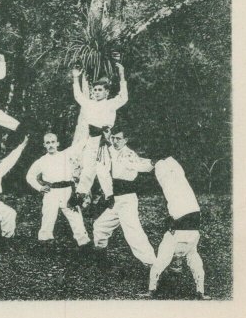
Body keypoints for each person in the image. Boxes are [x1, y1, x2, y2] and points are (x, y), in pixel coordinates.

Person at [144, 157, 210, 300]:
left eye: (176, 264)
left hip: (191, 216)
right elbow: (197, 267)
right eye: (178, 265)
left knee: (177, 183)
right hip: (188, 218)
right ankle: (165, 159)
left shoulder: (172, 245)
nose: (178, 262)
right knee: (175, 183)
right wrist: (201, 292)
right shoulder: (186, 249)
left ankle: (164, 159)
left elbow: (158, 265)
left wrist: (151, 291)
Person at [91, 128, 157, 266]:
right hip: (116, 200)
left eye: (118, 139)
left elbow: (139, 165)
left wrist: (152, 163)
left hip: (127, 199)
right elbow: (110, 152)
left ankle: (153, 266)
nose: (115, 141)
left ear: (125, 140)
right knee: (100, 226)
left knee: (133, 234)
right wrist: (108, 137)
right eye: (113, 138)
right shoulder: (113, 150)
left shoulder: (128, 154)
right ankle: (101, 260)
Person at [72, 62, 129, 200]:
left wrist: (121, 74)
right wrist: (75, 78)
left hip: (105, 138)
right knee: (87, 168)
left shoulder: (111, 104)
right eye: (95, 90)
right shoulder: (89, 104)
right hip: (92, 139)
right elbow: (78, 96)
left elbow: (124, 97)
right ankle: (81, 194)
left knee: (103, 169)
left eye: (100, 90)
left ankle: (109, 196)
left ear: (107, 92)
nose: (96, 92)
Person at [25, 133, 90, 248]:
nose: (51, 145)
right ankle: (45, 245)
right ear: (44, 145)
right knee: (48, 219)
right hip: (52, 193)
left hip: (67, 191)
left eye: (53, 142)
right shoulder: (41, 161)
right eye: (48, 143)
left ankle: (84, 244)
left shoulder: (66, 154)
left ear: (57, 143)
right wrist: (40, 187)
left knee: (76, 219)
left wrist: (93, 131)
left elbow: (81, 144)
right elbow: (29, 176)